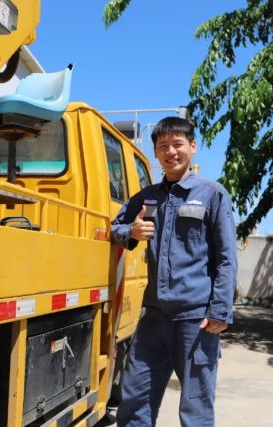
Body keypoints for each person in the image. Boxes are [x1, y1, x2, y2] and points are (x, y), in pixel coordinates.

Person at [110, 116, 237, 426]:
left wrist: (221, 310)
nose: (171, 152)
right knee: (134, 400)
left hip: (195, 320)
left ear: (192, 147)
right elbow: (114, 228)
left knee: (195, 408)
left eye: (178, 144)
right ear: (155, 152)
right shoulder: (147, 197)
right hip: (154, 317)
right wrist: (132, 232)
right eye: (163, 146)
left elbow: (226, 257)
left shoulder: (212, 194)